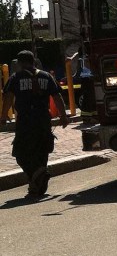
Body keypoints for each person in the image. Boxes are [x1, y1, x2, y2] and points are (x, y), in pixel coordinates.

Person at [0, 50, 69, 198]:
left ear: (19, 63)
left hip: (25, 121)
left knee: (20, 153)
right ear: (33, 61)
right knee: (42, 152)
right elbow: (57, 96)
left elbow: (8, 96)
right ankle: (36, 187)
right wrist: (63, 116)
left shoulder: (16, 78)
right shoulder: (46, 76)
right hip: (43, 120)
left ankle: (38, 175)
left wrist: (4, 115)